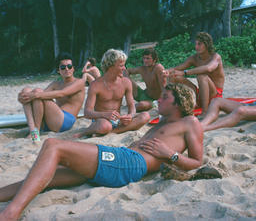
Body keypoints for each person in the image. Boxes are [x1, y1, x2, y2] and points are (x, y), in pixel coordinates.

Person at [0, 83, 203, 221]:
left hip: (129, 164)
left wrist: (171, 154)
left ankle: (11, 213)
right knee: (48, 175)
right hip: (121, 160)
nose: (159, 99)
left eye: (165, 97)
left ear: (178, 103)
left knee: (53, 145)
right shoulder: (166, 121)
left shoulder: (190, 122)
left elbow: (197, 161)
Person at [73, 49, 150, 138]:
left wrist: (130, 116)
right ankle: (86, 131)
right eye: (121, 65)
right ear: (110, 66)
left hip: (118, 121)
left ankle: (111, 132)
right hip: (101, 120)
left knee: (146, 116)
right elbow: (87, 112)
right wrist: (105, 114)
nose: (124, 68)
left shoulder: (126, 82)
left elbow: (132, 106)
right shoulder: (96, 85)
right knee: (105, 126)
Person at [17, 52, 85, 142]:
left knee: (37, 93)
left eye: (69, 66)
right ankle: (33, 129)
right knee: (26, 90)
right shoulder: (56, 84)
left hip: (65, 121)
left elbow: (62, 93)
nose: (67, 69)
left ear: (73, 69)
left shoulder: (79, 82)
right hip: (51, 120)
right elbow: (39, 97)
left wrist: (34, 95)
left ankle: (36, 130)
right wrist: (22, 97)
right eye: (63, 67)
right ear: (58, 70)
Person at [166, 32, 225, 114]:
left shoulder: (216, 57)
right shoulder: (194, 58)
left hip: (214, 96)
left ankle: (205, 112)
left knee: (201, 76)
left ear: (207, 44)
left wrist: (185, 73)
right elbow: (176, 68)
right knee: (174, 77)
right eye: (196, 44)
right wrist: (165, 72)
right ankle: (178, 105)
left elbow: (208, 68)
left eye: (199, 44)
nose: (196, 47)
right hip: (200, 95)